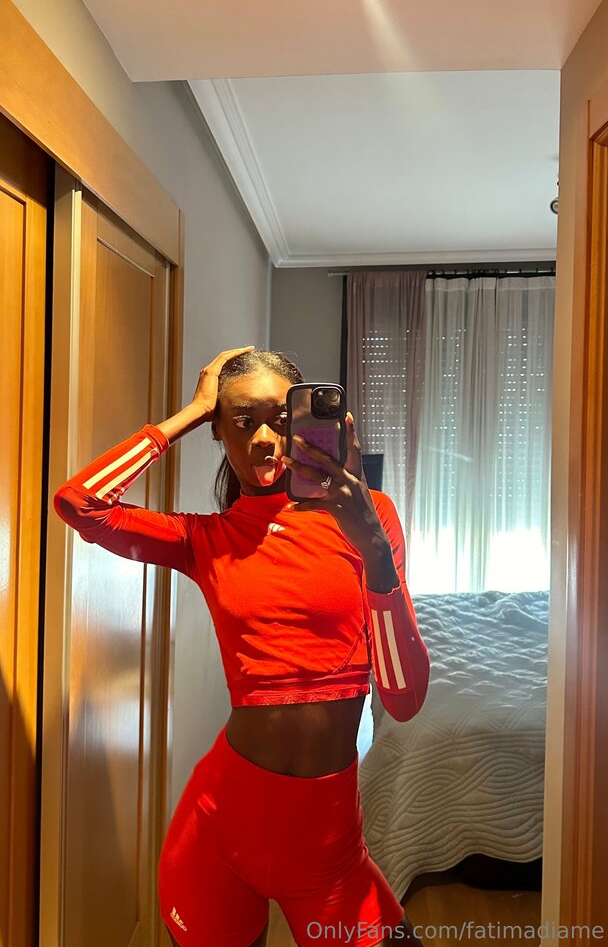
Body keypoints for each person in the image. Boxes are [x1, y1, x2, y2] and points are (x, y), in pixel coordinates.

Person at [53, 346, 431, 947]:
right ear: (218, 430)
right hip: (217, 838)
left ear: (304, 420)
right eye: (241, 420)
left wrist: (376, 553)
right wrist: (188, 413)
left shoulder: (369, 518)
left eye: (279, 419)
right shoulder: (207, 539)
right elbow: (80, 503)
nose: (262, 438)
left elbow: (404, 700)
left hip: (330, 852)